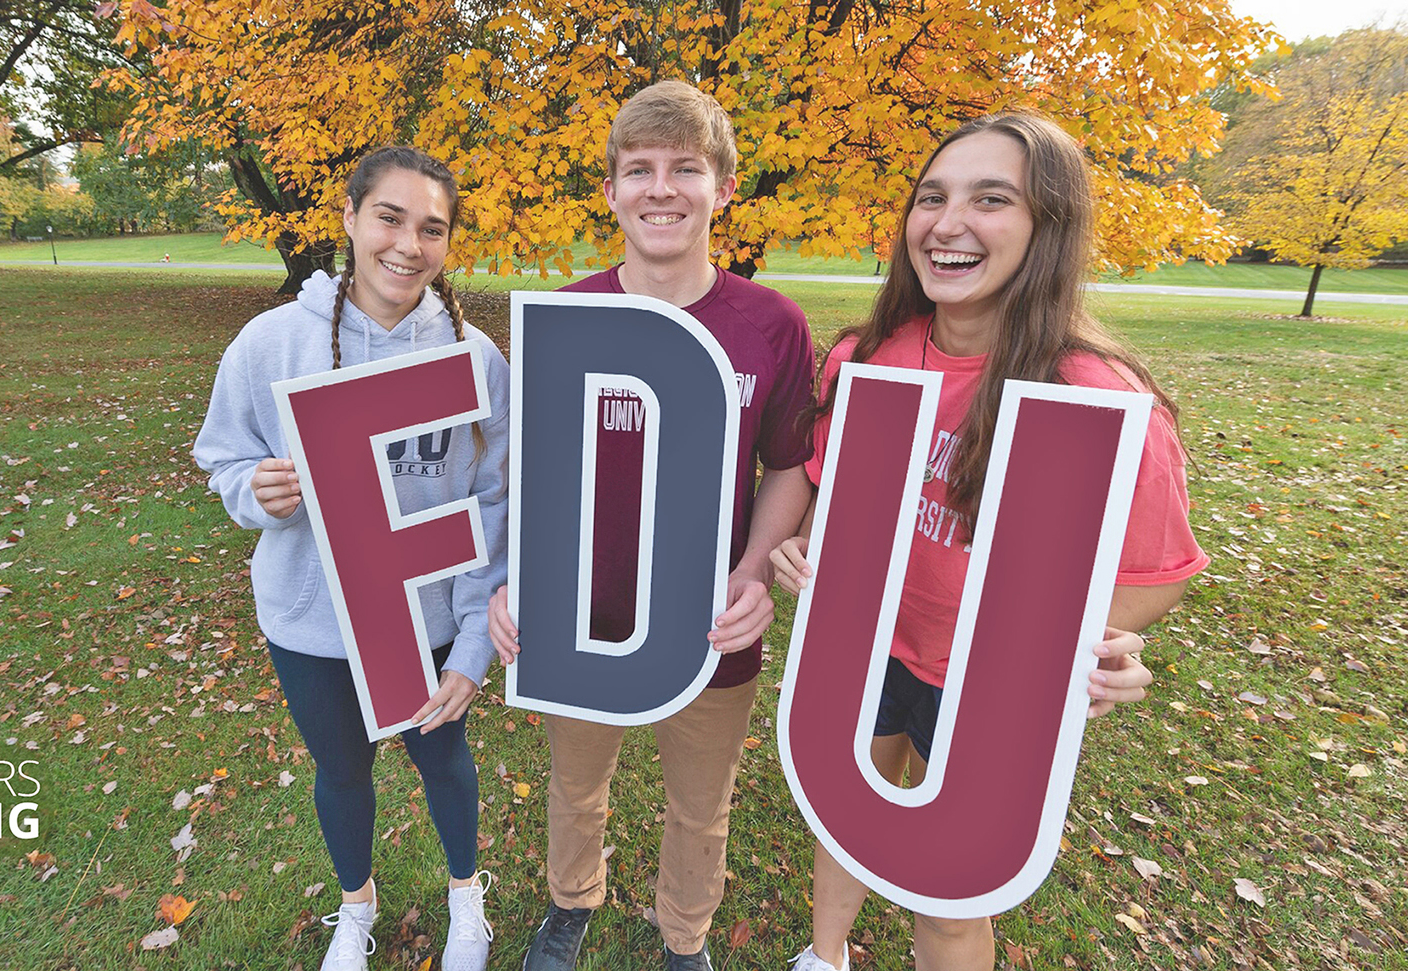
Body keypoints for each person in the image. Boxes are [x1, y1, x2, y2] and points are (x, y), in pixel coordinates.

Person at [768, 112, 1210, 971]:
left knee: (949, 890)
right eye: (932, 197)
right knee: (842, 823)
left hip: (985, 688)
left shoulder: (1103, 401)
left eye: (991, 199)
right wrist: (805, 545)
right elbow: (833, 496)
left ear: (1048, 227)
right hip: (865, 650)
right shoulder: (869, 357)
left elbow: (1157, 572)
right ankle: (825, 957)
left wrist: (1099, 644)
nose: (948, 221)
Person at [488, 80, 817, 971]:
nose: (661, 189)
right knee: (575, 780)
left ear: (723, 189)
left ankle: (685, 936)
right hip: (585, 614)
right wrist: (520, 580)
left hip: (707, 616)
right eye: (639, 170)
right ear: (611, 191)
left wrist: (753, 570)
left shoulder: (774, 325)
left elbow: (788, 464)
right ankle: (570, 901)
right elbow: (539, 472)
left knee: (701, 800)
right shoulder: (567, 313)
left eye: (685, 169)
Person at [194, 146, 509, 971]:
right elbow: (223, 456)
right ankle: (354, 905)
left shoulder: (475, 359)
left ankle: (465, 900)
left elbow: (494, 506)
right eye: (390, 218)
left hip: (429, 617)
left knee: (444, 755)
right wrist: (250, 490)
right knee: (341, 769)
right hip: (312, 621)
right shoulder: (270, 343)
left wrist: (474, 644)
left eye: (432, 228)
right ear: (349, 218)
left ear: (449, 243)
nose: (409, 244)